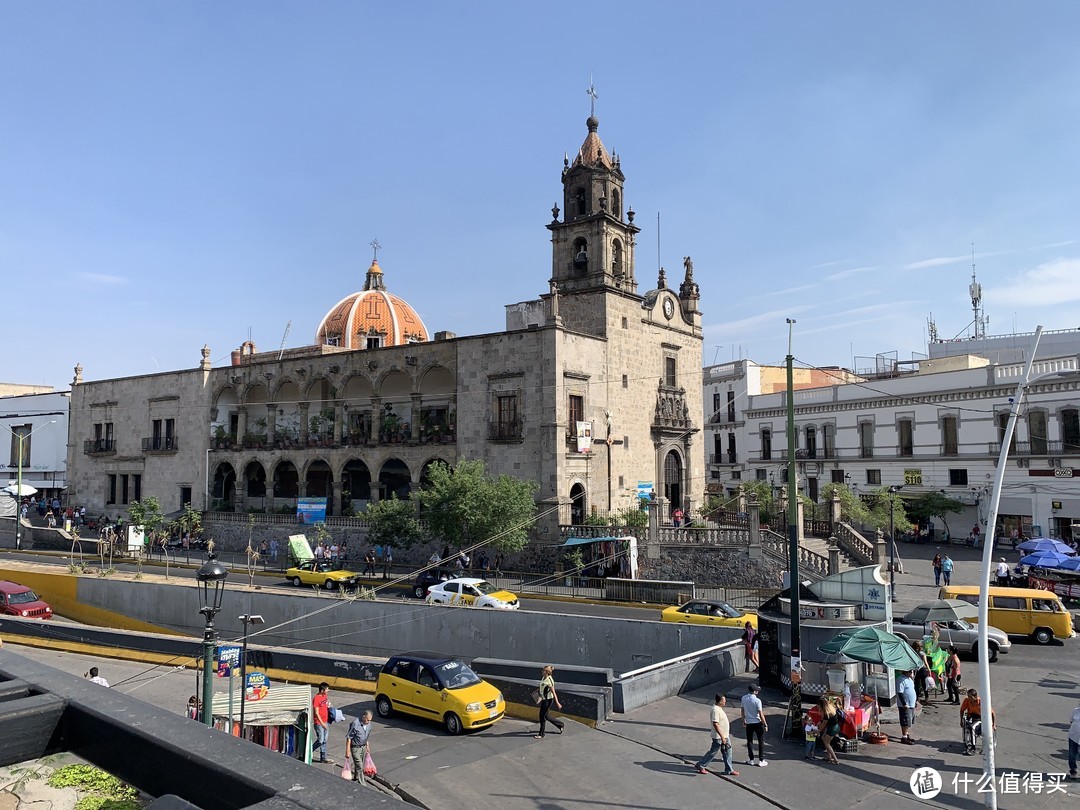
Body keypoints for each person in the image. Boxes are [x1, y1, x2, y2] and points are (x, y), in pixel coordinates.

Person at [694, 693, 738, 776]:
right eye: (724, 700)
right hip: (719, 737)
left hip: (724, 736)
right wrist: (722, 737)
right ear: (720, 701)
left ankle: (729, 769)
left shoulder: (718, 709)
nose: (725, 702)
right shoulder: (715, 710)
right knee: (713, 752)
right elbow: (716, 724)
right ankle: (701, 764)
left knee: (728, 752)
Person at [959, 688, 996, 754]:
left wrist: (994, 724)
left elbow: (992, 713)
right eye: (968, 696)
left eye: (970, 697)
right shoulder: (967, 701)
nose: (969, 698)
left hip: (980, 719)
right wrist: (961, 720)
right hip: (971, 717)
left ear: (975, 697)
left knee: (972, 727)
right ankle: (970, 741)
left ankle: (973, 748)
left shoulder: (982, 702)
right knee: (969, 725)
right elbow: (962, 710)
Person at [740, 683, 768, 766]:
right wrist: (765, 724)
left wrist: (743, 720)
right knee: (761, 741)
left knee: (749, 741)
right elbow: (760, 713)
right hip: (757, 722)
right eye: (757, 690)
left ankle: (751, 759)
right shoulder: (757, 701)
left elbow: (742, 710)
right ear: (755, 691)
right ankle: (761, 760)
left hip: (748, 722)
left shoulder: (744, 698)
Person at [534, 665, 565, 739]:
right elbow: (542, 687)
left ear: (547, 672)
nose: (542, 671)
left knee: (542, 716)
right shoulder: (543, 677)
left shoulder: (549, 680)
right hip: (544, 699)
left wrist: (557, 703)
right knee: (546, 716)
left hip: (548, 700)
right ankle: (560, 725)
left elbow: (554, 693)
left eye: (544, 670)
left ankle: (541, 734)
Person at [344, 710, 373, 783]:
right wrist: (347, 751)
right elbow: (349, 738)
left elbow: (366, 736)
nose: (368, 722)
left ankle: (356, 778)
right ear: (363, 717)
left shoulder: (369, 724)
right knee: (360, 766)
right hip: (355, 748)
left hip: (363, 747)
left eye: (370, 720)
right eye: (367, 720)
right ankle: (362, 784)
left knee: (359, 765)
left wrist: (367, 746)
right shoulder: (355, 724)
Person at [312, 683, 333, 764]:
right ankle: (310, 750)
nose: (328, 690)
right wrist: (322, 723)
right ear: (322, 690)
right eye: (327, 689)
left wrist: (328, 705)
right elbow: (316, 713)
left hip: (325, 721)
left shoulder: (325, 696)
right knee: (320, 740)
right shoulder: (316, 699)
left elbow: (325, 704)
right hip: (319, 723)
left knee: (324, 740)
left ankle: (323, 758)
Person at [896, 669, 918, 745]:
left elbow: (912, 690)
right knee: (905, 721)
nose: (911, 673)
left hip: (911, 704)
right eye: (910, 672)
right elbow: (900, 693)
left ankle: (907, 734)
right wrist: (904, 703)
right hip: (905, 705)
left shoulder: (909, 679)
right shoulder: (901, 680)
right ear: (905, 672)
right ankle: (904, 737)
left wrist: (915, 701)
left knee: (909, 720)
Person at [817, 697, 840, 764]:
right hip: (834, 726)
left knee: (827, 743)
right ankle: (829, 757)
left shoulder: (826, 713)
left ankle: (835, 759)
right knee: (823, 738)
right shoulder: (830, 707)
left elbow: (823, 725)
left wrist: (818, 730)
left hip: (832, 728)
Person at [1068, 700, 1080, 780]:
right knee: (1072, 754)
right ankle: (1073, 770)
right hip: (1074, 736)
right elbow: (1071, 721)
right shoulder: (1075, 711)